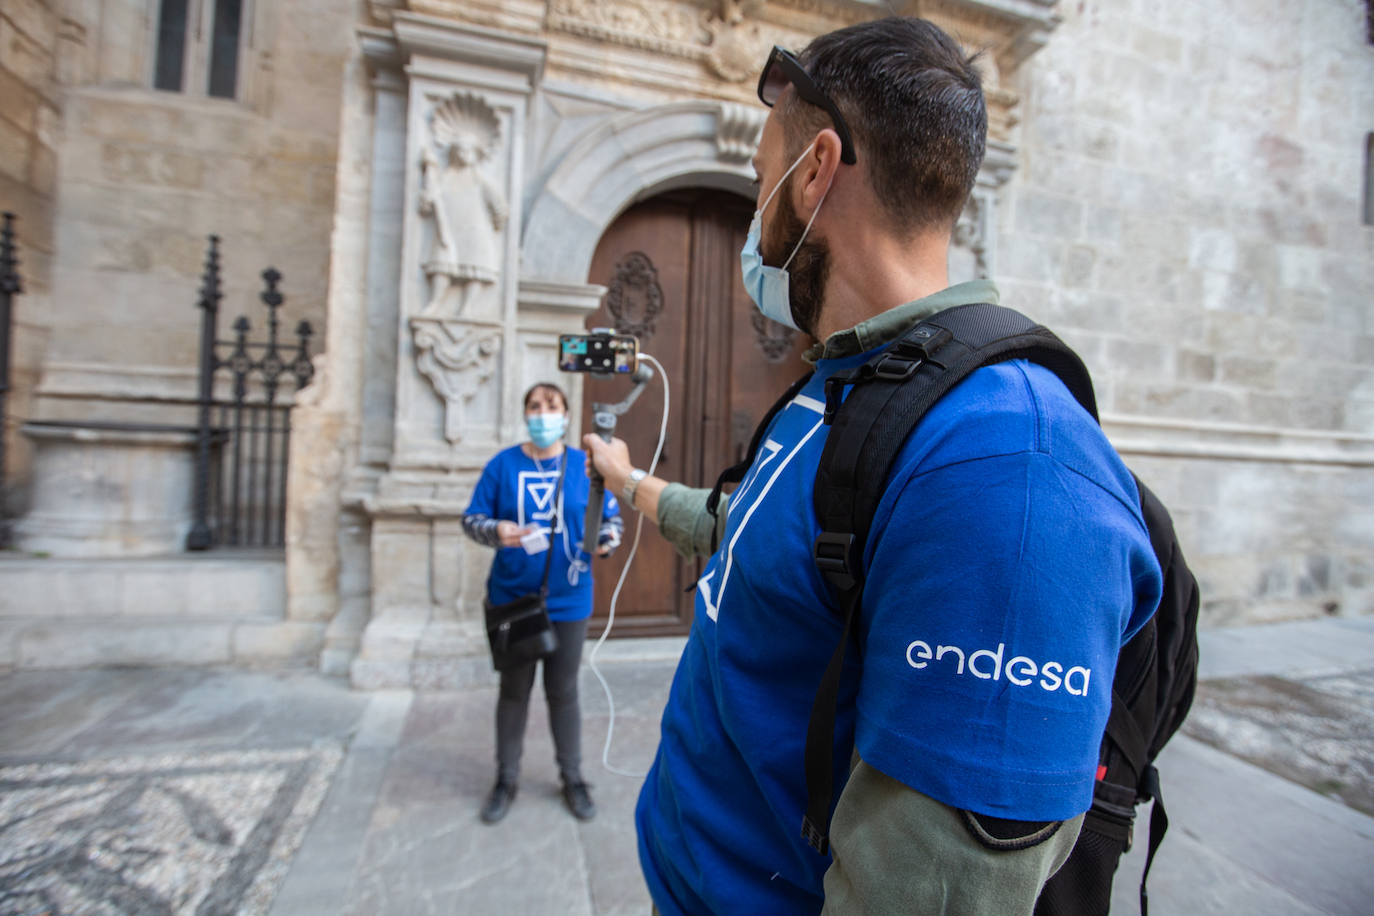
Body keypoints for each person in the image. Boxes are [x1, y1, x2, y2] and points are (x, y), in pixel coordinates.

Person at [582, 17, 1164, 915]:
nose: (755, 212)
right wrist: (629, 482)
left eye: (760, 178)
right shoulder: (846, 382)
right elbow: (759, 537)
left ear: (814, 171)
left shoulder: (1008, 471)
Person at [463, 381, 622, 824]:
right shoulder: (503, 465)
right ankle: (505, 778)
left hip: (570, 600)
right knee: (513, 692)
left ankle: (572, 778)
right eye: (534, 406)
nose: (543, 413)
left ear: (567, 416)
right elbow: (471, 520)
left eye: (551, 406)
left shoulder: (585, 467)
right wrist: (498, 531)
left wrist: (608, 540)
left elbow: (611, 519)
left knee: (564, 691)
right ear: (525, 414)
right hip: (513, 601)